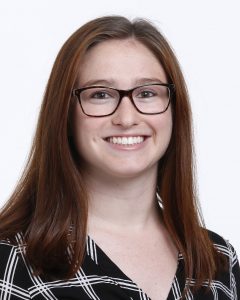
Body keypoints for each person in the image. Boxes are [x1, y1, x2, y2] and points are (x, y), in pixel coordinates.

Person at [0, 15, 239, 300]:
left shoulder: (217, 260)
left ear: (175, 110)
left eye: (148, 93)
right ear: (64, 115)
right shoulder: (12, 262)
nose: (126, 118)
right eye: (100, 94)